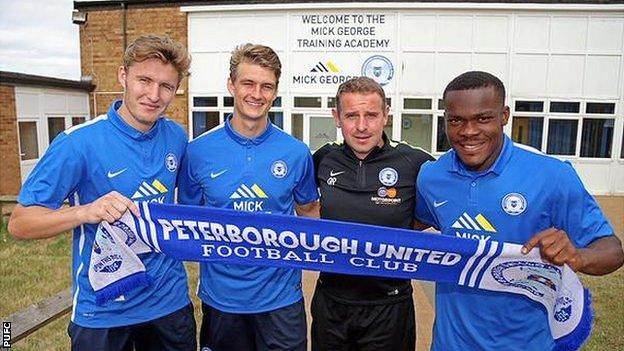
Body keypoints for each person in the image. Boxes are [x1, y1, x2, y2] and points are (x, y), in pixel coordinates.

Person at [8, 35, 196, 351]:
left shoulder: (176, 137)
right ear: (123, 76)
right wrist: (86, 211)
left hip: (169, 304)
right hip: (103, 311)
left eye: (166, 86)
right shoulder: (77, 143)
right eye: (144, 80)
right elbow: (20, 223)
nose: (153, 95)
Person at [415, 70, 624, 350]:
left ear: (504, 116)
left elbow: (612, 251)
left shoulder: (552, 175)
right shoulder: (432, 177)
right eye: (456, 120)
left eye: (483, 118)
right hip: (449, 344)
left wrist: (578, 256)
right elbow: (409, 226)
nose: (468, 131)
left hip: (528, 343)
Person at [177, 43, 320, 351]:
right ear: (232, 85)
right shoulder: (198, 152)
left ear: (276, 91)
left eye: (267, 86)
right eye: (248, 83)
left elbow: (310, 212)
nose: (257, 94)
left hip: (282, 300)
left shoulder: (296, 153)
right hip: (222, 302)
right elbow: (188, 222)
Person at [311, 76, 435, 351]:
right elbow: (301, 206)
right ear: (337, 117)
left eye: (371, 115)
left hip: (389, 305)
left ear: (386, 115)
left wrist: (398, 231)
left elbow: (441, 209)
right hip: (331, 302)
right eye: (352, 115)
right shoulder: (322, 159)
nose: (362, 126)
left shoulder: (415, 163)